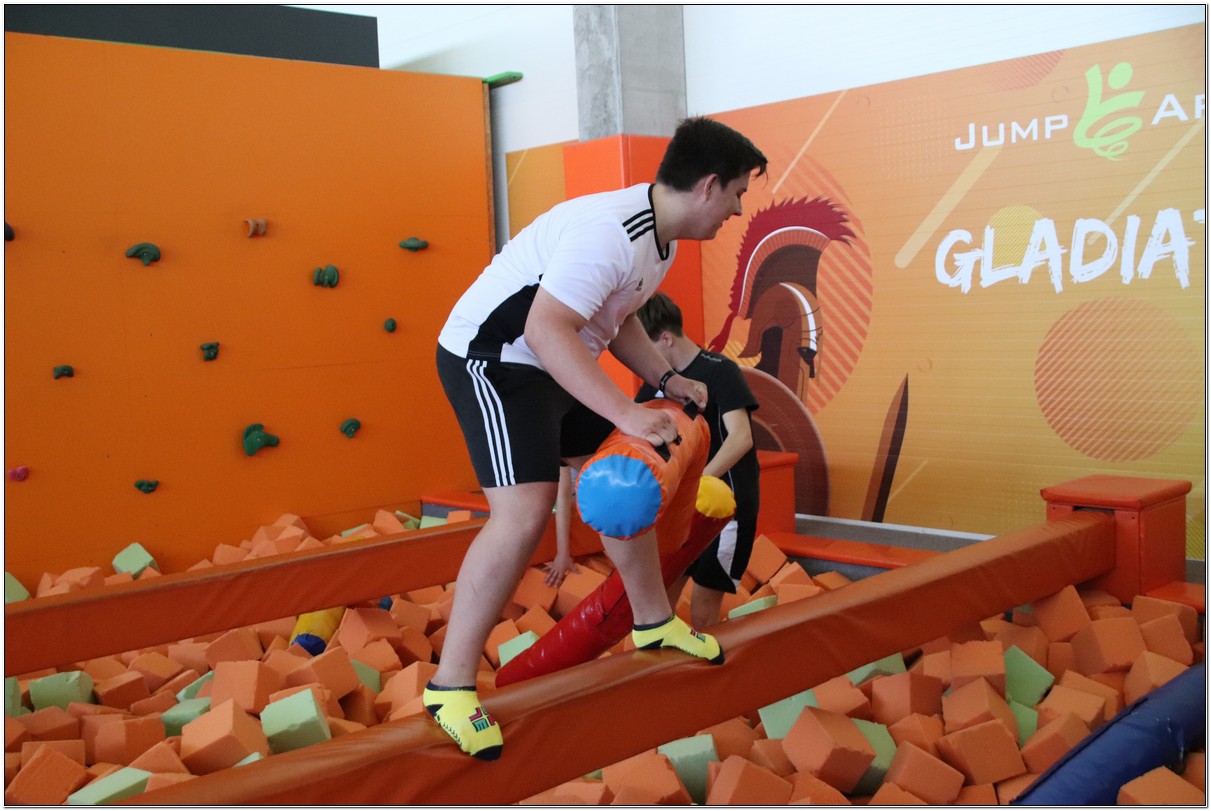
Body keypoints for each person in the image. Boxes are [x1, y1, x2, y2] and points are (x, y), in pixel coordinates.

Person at [429, 116, 767, 760]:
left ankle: (653, 622)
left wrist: (666, 378)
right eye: (736, 195)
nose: (736, 210)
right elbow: (546, 328)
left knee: (626, 477)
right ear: (708, 185)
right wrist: (627, 413)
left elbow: (619, 318)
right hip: (494, 358)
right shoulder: (610, 233)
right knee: (524, 512)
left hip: (550, 358)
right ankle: (449, 686)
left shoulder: (657, 242)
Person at [634, 292, 760, 630]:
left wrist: (696, 483)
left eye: (646, 348)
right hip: (681, 514)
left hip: (725, 512)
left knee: (704, 614)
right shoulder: (655, 384)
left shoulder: (720, 371)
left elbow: (741, 438)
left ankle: (718, 664)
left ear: (666, 338)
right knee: (660, 611)